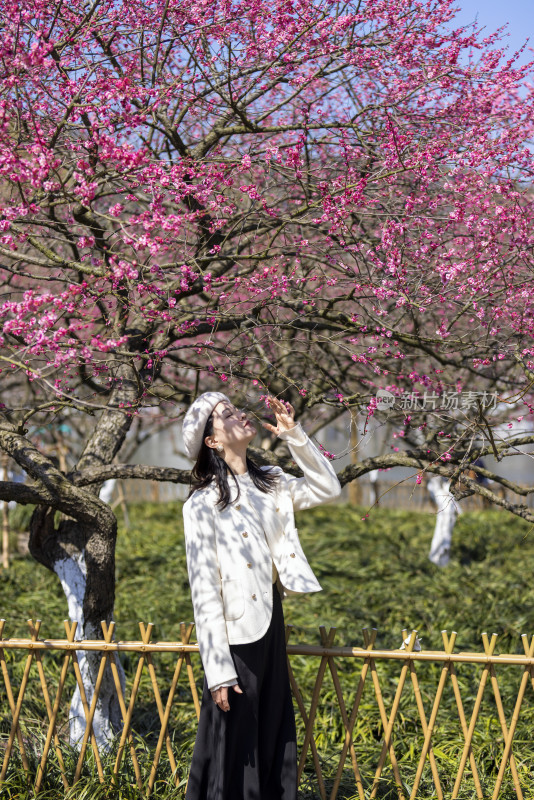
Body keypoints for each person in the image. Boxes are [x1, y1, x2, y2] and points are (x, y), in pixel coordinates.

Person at [181, 391, 342, 800]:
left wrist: (296, 437)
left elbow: (327, 489)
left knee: (271, 730)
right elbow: (204, 588)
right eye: (226, 415)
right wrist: (218, 669)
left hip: (271, 623)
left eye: (235, 408)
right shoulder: (201, 505)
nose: (239, 415)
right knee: (235, 743)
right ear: (212, 442)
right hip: (236, 638)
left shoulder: (270, 480)